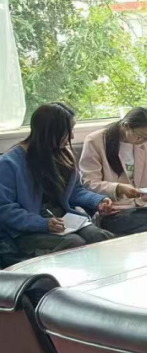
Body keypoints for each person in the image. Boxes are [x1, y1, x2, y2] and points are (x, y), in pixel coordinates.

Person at [0, 103, 116, 257]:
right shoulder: (9, 164)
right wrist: (43, 224)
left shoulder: (63, 155)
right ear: (50, 132)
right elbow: (5, 209)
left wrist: (98, 201)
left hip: (64, 221)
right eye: (68, 131)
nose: (72, 136)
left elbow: (75, 191)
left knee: (100, 236)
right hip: (26, 230)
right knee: (74, 244)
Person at [79, 107, 147, 236]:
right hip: (114, 210)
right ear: (126, 126)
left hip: (142, 205)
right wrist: (118, 188)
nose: (144, 141)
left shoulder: (144, 142)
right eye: (141, 136)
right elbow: (89, 183)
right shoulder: (95, 141)